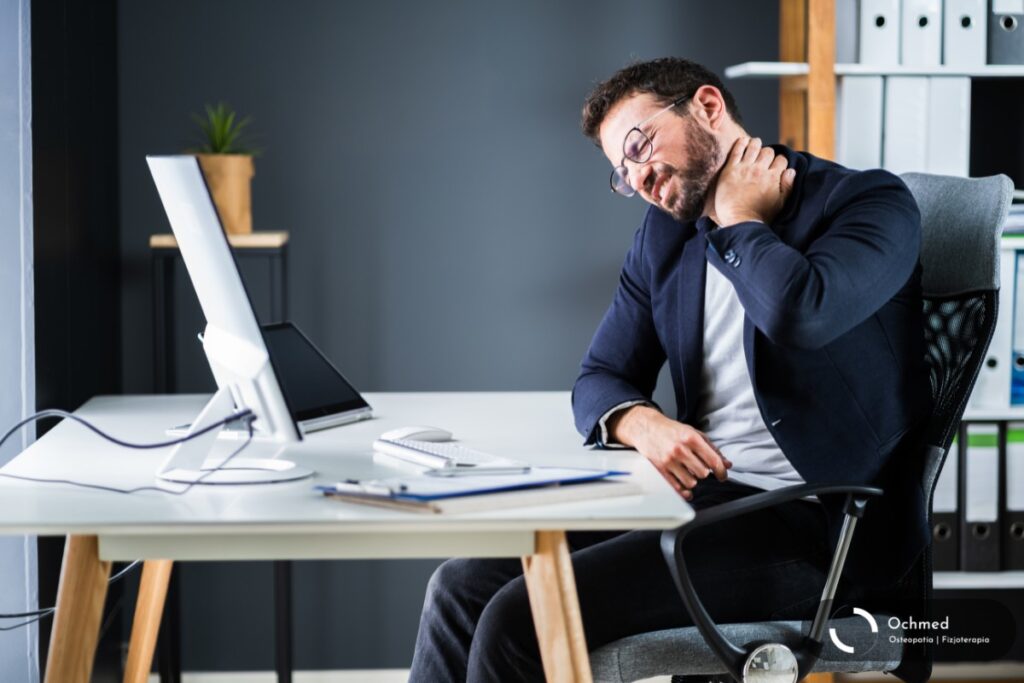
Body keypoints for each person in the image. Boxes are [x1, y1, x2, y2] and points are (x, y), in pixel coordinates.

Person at [408, 57, 932, 682]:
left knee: (520, 621)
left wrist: (740, 219)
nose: (640, 176)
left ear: (708, 107)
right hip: (698, 506)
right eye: (622, 172)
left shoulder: (866, 202)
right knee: (458, 588)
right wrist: (640, 422)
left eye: (640, 145)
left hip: (813, 527)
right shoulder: (664, 237)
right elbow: (600, 375)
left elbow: (801, 314)